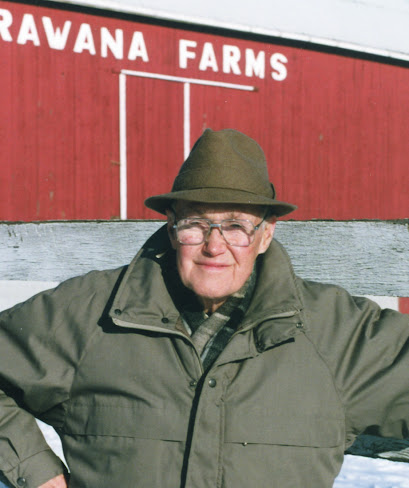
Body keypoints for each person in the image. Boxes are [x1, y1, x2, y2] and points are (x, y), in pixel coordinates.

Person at [0, 128, 408, 488]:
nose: (215, 246)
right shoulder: (92, 315)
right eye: (196, 223)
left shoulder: (337, 335)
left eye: (235, 226)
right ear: (172, 229)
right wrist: (33, 469)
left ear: (265, 235)